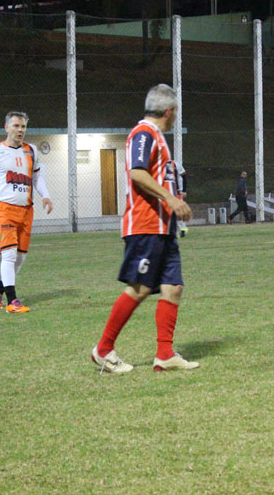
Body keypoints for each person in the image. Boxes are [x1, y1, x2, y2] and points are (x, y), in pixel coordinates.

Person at [91, 83, 198, 374]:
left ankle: (165, 354)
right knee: (139, 289)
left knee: (172, 287)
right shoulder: (143, 133)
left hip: (164, 228)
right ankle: (103, 350)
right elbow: (137, 172)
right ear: (169, 111)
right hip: (145, 225)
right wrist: (170, 198)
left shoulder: (157, 137)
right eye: (175, 112)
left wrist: (173, 196)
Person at [0, 111, 54, 313]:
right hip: (4, 208)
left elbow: (37, 179)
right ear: (6, 127)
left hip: (26, 210)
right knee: (8, 256)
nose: (20, 130)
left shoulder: (32, 151)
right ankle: (12, 302)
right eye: (16, 126)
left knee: (20, 258)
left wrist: (46, 195)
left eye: (23, 126)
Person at [175, 161, 189, 237]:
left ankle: (183, 228)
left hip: (177, 192)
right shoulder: (159, 165)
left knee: (178, 211)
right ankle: (177, 230)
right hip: (166, 192)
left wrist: (184, 190)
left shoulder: (175, 164)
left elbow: (184, 176)